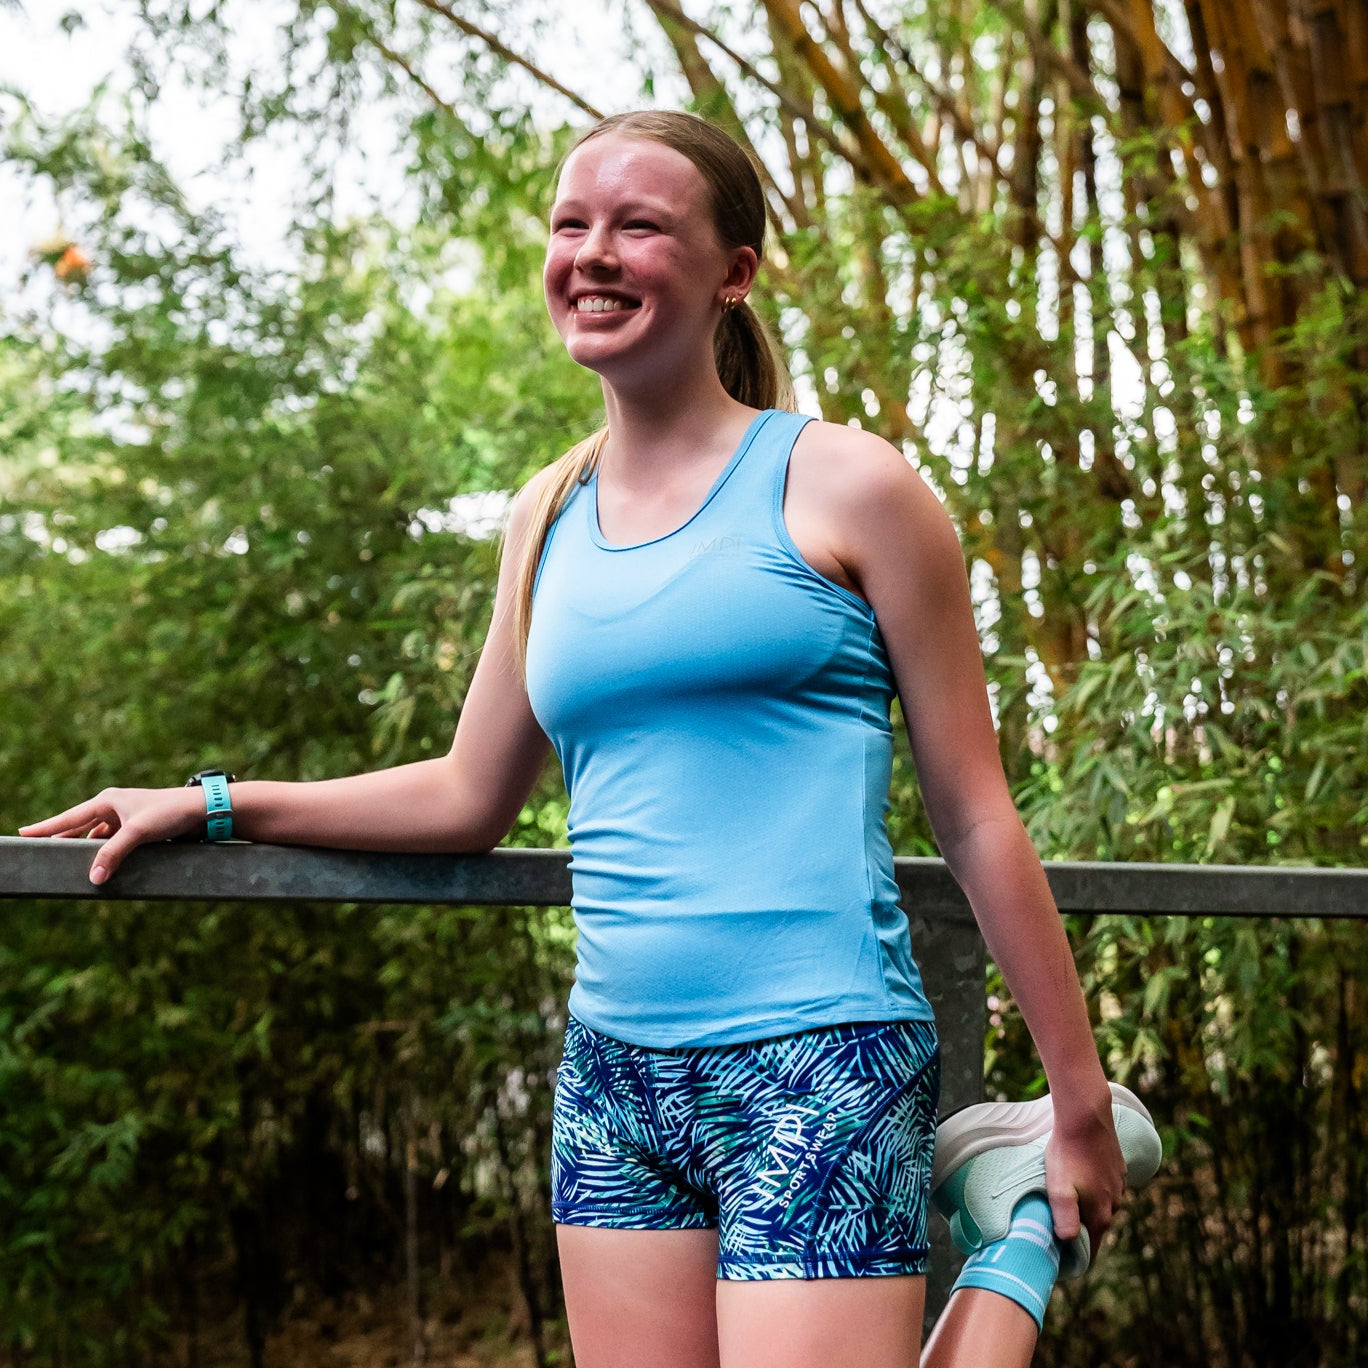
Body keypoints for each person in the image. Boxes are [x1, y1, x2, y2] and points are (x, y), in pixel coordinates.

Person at [21, 109, 1161, 1368]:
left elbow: (974, 812)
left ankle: (1015, 1247)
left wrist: (1076, 1102)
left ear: (733, 272)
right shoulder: (545, 515)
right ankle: (1008, 1237)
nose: (593, 253)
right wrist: (212, 802)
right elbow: (467, 795)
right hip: (616, 1074)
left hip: (820, 1056)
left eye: (640, 226)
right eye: (572, 225)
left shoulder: (851, 488)